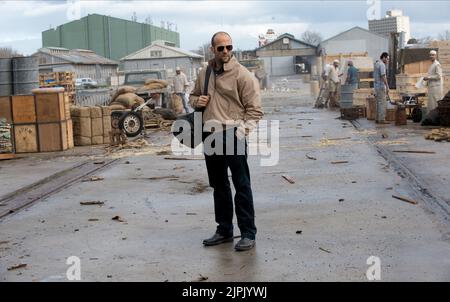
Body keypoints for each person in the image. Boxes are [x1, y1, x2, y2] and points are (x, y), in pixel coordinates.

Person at [189, 32, 263, 251]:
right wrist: (196, 101)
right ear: (213, 49)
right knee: (219, 186)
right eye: (220, 48)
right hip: (210, 135)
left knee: (241, 185)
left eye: (229, 47)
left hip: (233, 133)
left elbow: (255, 111)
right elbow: (192, 97)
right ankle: (224, 230)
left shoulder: (243, 75)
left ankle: (248, 233)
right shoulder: (205, 72)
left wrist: (240, 134)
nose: (225, 52)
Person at [373, 52, 390, 124]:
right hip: (381, 86)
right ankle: (382, 119)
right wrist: (387, 86)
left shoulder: (376, 63)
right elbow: (383, 76)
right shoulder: (382, 65)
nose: (388, 60)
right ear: (384, 57)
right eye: (387, 59)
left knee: (378, 102)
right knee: (382, 103)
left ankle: (377, 118)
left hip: (376, 86)